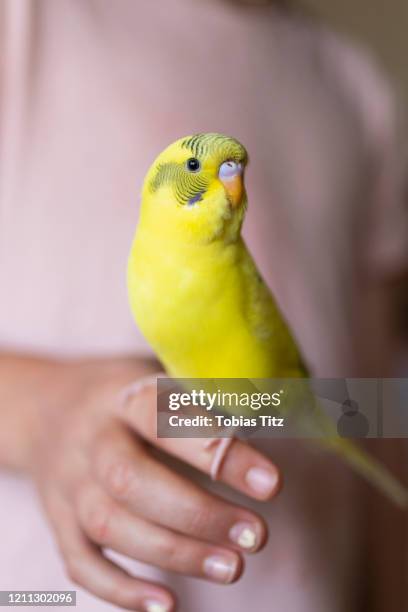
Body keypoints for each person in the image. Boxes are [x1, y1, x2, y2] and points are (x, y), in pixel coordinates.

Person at [0, 1, 407, 610]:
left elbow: (370, 410)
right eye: (200, 168)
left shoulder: (358, 90)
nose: (225, 181)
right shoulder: (24, 18)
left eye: (232, 172)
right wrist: (43, 410)